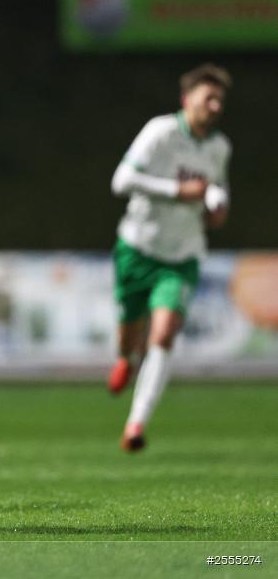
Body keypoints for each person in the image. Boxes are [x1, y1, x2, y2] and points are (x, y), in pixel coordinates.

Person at [108, 63, 232, 452]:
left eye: (219, 100)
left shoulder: (219, 147)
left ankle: (135, 424)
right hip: (137, 247)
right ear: (186, 100)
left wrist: (218, 207)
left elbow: (217, 191)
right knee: (131, 330)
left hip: (182, 256)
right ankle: (126, 357)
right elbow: (121, 181)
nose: (214, 106)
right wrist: (178, 191)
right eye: (207, 97)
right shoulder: (160, 132)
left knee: (163, 335)